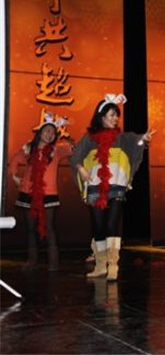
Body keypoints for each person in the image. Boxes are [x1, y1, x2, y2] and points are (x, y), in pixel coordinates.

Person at [71, 94, 154, 281]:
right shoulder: (89, 138)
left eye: (117, 115)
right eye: (112, 115)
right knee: (98, 226)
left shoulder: (122, 138)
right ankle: (101, 265)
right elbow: (76, 155)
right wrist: (81, 168)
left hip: (116, 185)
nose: (116, 118)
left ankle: (113, 265)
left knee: (111, 224)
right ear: (102, 117)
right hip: (95, 186)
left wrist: (144, 138)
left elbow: (136, 141)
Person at [8, 112, 72, 271]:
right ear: (40, 132)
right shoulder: (29, 148)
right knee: (30, 229)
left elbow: (74, 148)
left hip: (49, 194)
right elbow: (14, 160)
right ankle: (32, 261)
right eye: (47, 131)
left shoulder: (56, 151)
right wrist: (14, 176)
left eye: (53, 133)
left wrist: (67, 134)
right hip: (27, 192)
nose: (50, 134)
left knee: (49, 228)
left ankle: (53, 263)